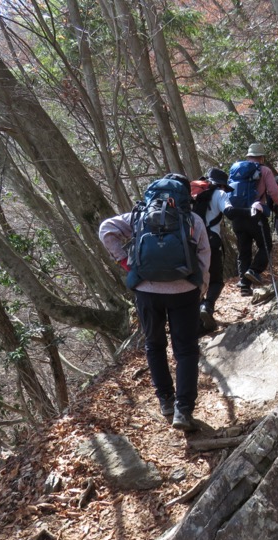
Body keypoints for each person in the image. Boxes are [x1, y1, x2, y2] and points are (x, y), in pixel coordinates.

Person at [98, 173, 210, 432]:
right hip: (184, 291)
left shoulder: (138, 217)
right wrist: (199, 288)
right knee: (186, 350)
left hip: (147, 291)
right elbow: (204, 257)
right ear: (185, 195)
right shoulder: (193, 220)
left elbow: (106, 229)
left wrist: (126, 262)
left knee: (155, 345)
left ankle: (166, 401)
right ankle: (184, 409)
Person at [223, 142, 278, 297]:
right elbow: (273, 192)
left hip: (237, 215)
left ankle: (244, 285)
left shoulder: (236, 168)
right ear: (262, 157)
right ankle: (254, 270)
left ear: (249, 156)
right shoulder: (264, 170)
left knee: (243, 250)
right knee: (265, 246)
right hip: (255, 213)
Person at [195, 167, 231, 331]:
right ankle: (207, 307)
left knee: (196, 281)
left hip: (192, 243)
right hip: (211, 241)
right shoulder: (220, 194)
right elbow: (229, 210)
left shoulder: (194, 194)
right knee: (216, 280)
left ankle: (197, 321)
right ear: (222, 185)